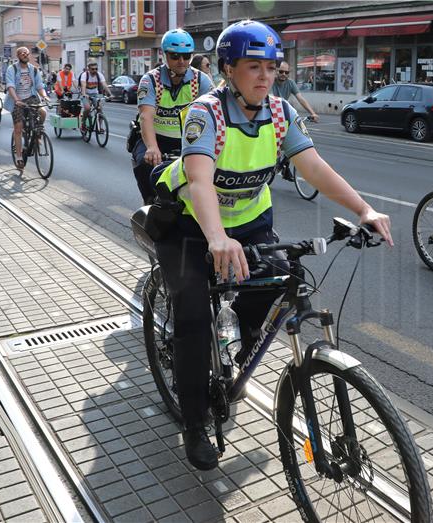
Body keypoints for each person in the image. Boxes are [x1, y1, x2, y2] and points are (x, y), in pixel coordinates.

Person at [151, 20, 393, 472]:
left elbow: (314, 168)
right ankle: (196, 420)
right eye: (253, 67)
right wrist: (217, 237)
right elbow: (201, 178)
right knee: (191, 317)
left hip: (249, 219)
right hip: (189, 223)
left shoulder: (280, 113)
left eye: (271, 67)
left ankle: (237, 351)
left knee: (281, 278)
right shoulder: (207, 113)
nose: (265, 76)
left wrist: (364, 210)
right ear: (228, 70)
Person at [131, 29, 214, 204]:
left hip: (186, 140)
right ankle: (149, 201)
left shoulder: (201, 80)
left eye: (186, 56)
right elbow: (146, 116)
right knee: (143, 163)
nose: (181, 61)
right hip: (155, 138)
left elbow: (214, 115)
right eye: (175, 56)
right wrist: (152, 147)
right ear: (165, 55)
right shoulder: (150, 80)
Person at [4, 47, 48, 168]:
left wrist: (44, 96)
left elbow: (39, 86)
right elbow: (10, 86)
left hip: (31, 97)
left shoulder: (34, 69)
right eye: (22, 53)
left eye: (26, 53)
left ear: (29, 55)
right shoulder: (12, 69)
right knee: (18, 128)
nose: (25, 54)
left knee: (43, 112)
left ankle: (38, 133)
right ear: (18, 56)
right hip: (17, 99)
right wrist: (17, 99)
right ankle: (19, 157)